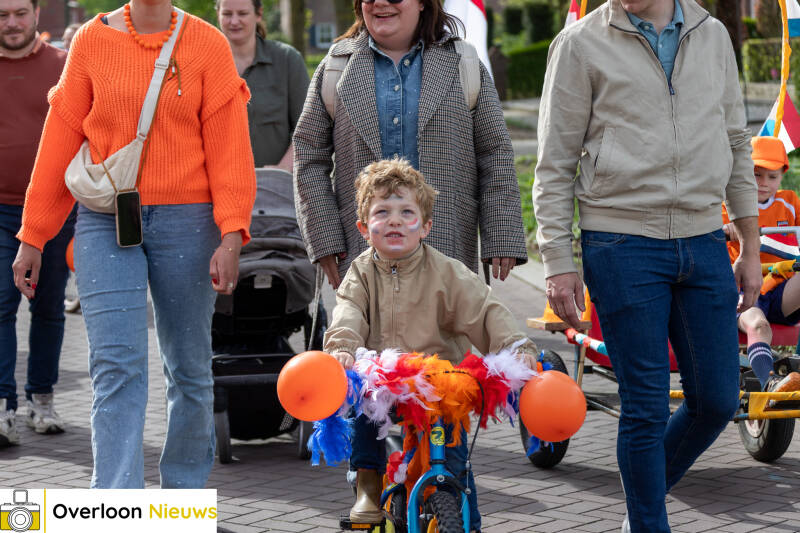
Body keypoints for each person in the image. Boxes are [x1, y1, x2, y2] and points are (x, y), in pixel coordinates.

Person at [532, 0, 762, 531]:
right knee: (645, 407)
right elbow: (554, 163)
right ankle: (648, 521)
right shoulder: (579, 44)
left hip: (704, 238)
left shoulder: (713, 34)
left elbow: (735, 141)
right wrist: (558, 261)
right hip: (619, 241)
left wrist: (750, 246)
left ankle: (641, 507)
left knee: (717, 399)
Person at [12, 0, 256, 488]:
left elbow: (230, 148)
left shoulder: (207, 43)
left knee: (188, 368)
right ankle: (117, 505)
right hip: (105, 219)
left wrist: (232, 232)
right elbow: (59, 139)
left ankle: (182, 499)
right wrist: (34, 234)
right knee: (115, 366)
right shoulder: (91, 41)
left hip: (189, 220)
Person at [325, 158, 539, 533]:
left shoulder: (447, 272)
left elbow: (485, 309)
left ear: (425, 226)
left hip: (439, 387)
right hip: (384, 385)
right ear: (364, 228)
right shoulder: (359, 273)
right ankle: (368, 485)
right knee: (362, 406)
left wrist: (514, 345)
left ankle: (462, 512)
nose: (394, 220)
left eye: (406, 212)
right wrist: (343, 346)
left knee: (454, 458)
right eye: (382, 212)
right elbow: (348, 313)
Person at [293, 0, 527, 289]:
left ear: (422, 4)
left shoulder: (464, 64)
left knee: (444, 335)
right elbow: (309, 156)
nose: (379, 3)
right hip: (363, 260)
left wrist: (501, 234)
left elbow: (494, 154)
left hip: (447, 255)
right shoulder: (336, 68)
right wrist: (324, 237)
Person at [0, 0, 74, 447]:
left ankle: (40, 400)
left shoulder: (65, 66)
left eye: (18, 13)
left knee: (48, 309)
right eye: (1, 14)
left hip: (55, 211)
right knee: (1, 306)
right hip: (0, 209)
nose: (11, 23)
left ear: (36, 14)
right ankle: (4, 407)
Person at [723, 136, 800, 393]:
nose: (764, 183)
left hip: (778, 288)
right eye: (757, 175)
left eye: (772, 177)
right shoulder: (728, 205)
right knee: (757, 324)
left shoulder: (789, 200)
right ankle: (770, 384)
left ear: (782, 176)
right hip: (743, 290)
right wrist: (725, 228)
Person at [216, 0, 309, 171]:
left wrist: (280, 171)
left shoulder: (287, 59)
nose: (234, 21)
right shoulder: (204, 63)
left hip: (276, 185)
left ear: (258, 14)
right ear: (218, 15)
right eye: (227, 14)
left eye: (242, 14)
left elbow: (307, 129)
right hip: (218, 185)